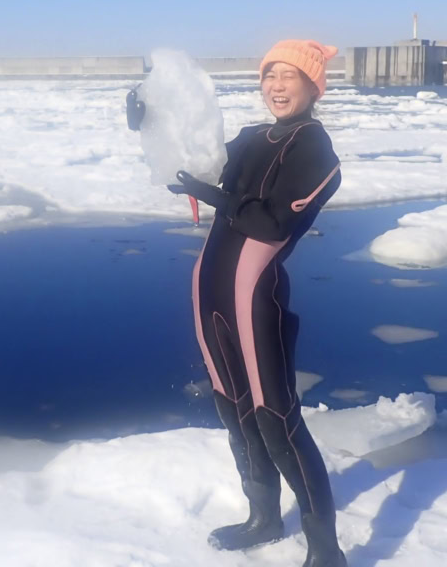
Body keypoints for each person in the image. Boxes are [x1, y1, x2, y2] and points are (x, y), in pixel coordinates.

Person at [128, 39, 346, 566]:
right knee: (234, 408)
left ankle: (325, 548)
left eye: (288, 76)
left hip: (255, 298)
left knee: (276, 416)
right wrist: (151, 120)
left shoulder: (316, 150)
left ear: (312, 85)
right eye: (269, 74)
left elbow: (270, 222)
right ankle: (263, 517)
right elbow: (193, 171)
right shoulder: (251, 137)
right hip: (210, 288)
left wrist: (215, 194)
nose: (275, 85)